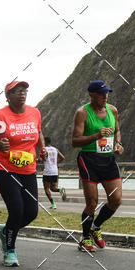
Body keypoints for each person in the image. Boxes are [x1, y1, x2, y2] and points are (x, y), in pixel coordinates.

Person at [0, 81, 45, 267]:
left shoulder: (34, 112)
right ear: (8, 96)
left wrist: (42, 148)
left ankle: (6, 230)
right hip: (4, 168)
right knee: (17, 210)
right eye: (17, 91)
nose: (22, 94)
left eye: (24, 90)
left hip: (28, 168)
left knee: (32, 212)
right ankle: (9, 250)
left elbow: (39, 131)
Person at [71, 80, 124, 253]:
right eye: (101, 94)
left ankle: (95, 226)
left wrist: (118, 144)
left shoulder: (112, 110)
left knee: (116, 200)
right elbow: (75, 141)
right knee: (92, 202)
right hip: (89, 160)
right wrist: (96, 135)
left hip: (108, 160)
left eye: (107, 93)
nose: (105, 96)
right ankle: (84, 238)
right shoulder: (82, 113)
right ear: (91, 95)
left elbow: (116, 130)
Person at [40, 136, 66, 210]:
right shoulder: (55, 149)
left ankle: (53, 204)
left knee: (46, 189)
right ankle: (61, 190)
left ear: (45, 142)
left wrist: (38, 160)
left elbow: (43, 159)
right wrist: (55, 163)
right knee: (53, 188)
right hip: (55, 171)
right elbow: (62, 157)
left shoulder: (44, 150)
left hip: (47, 171)